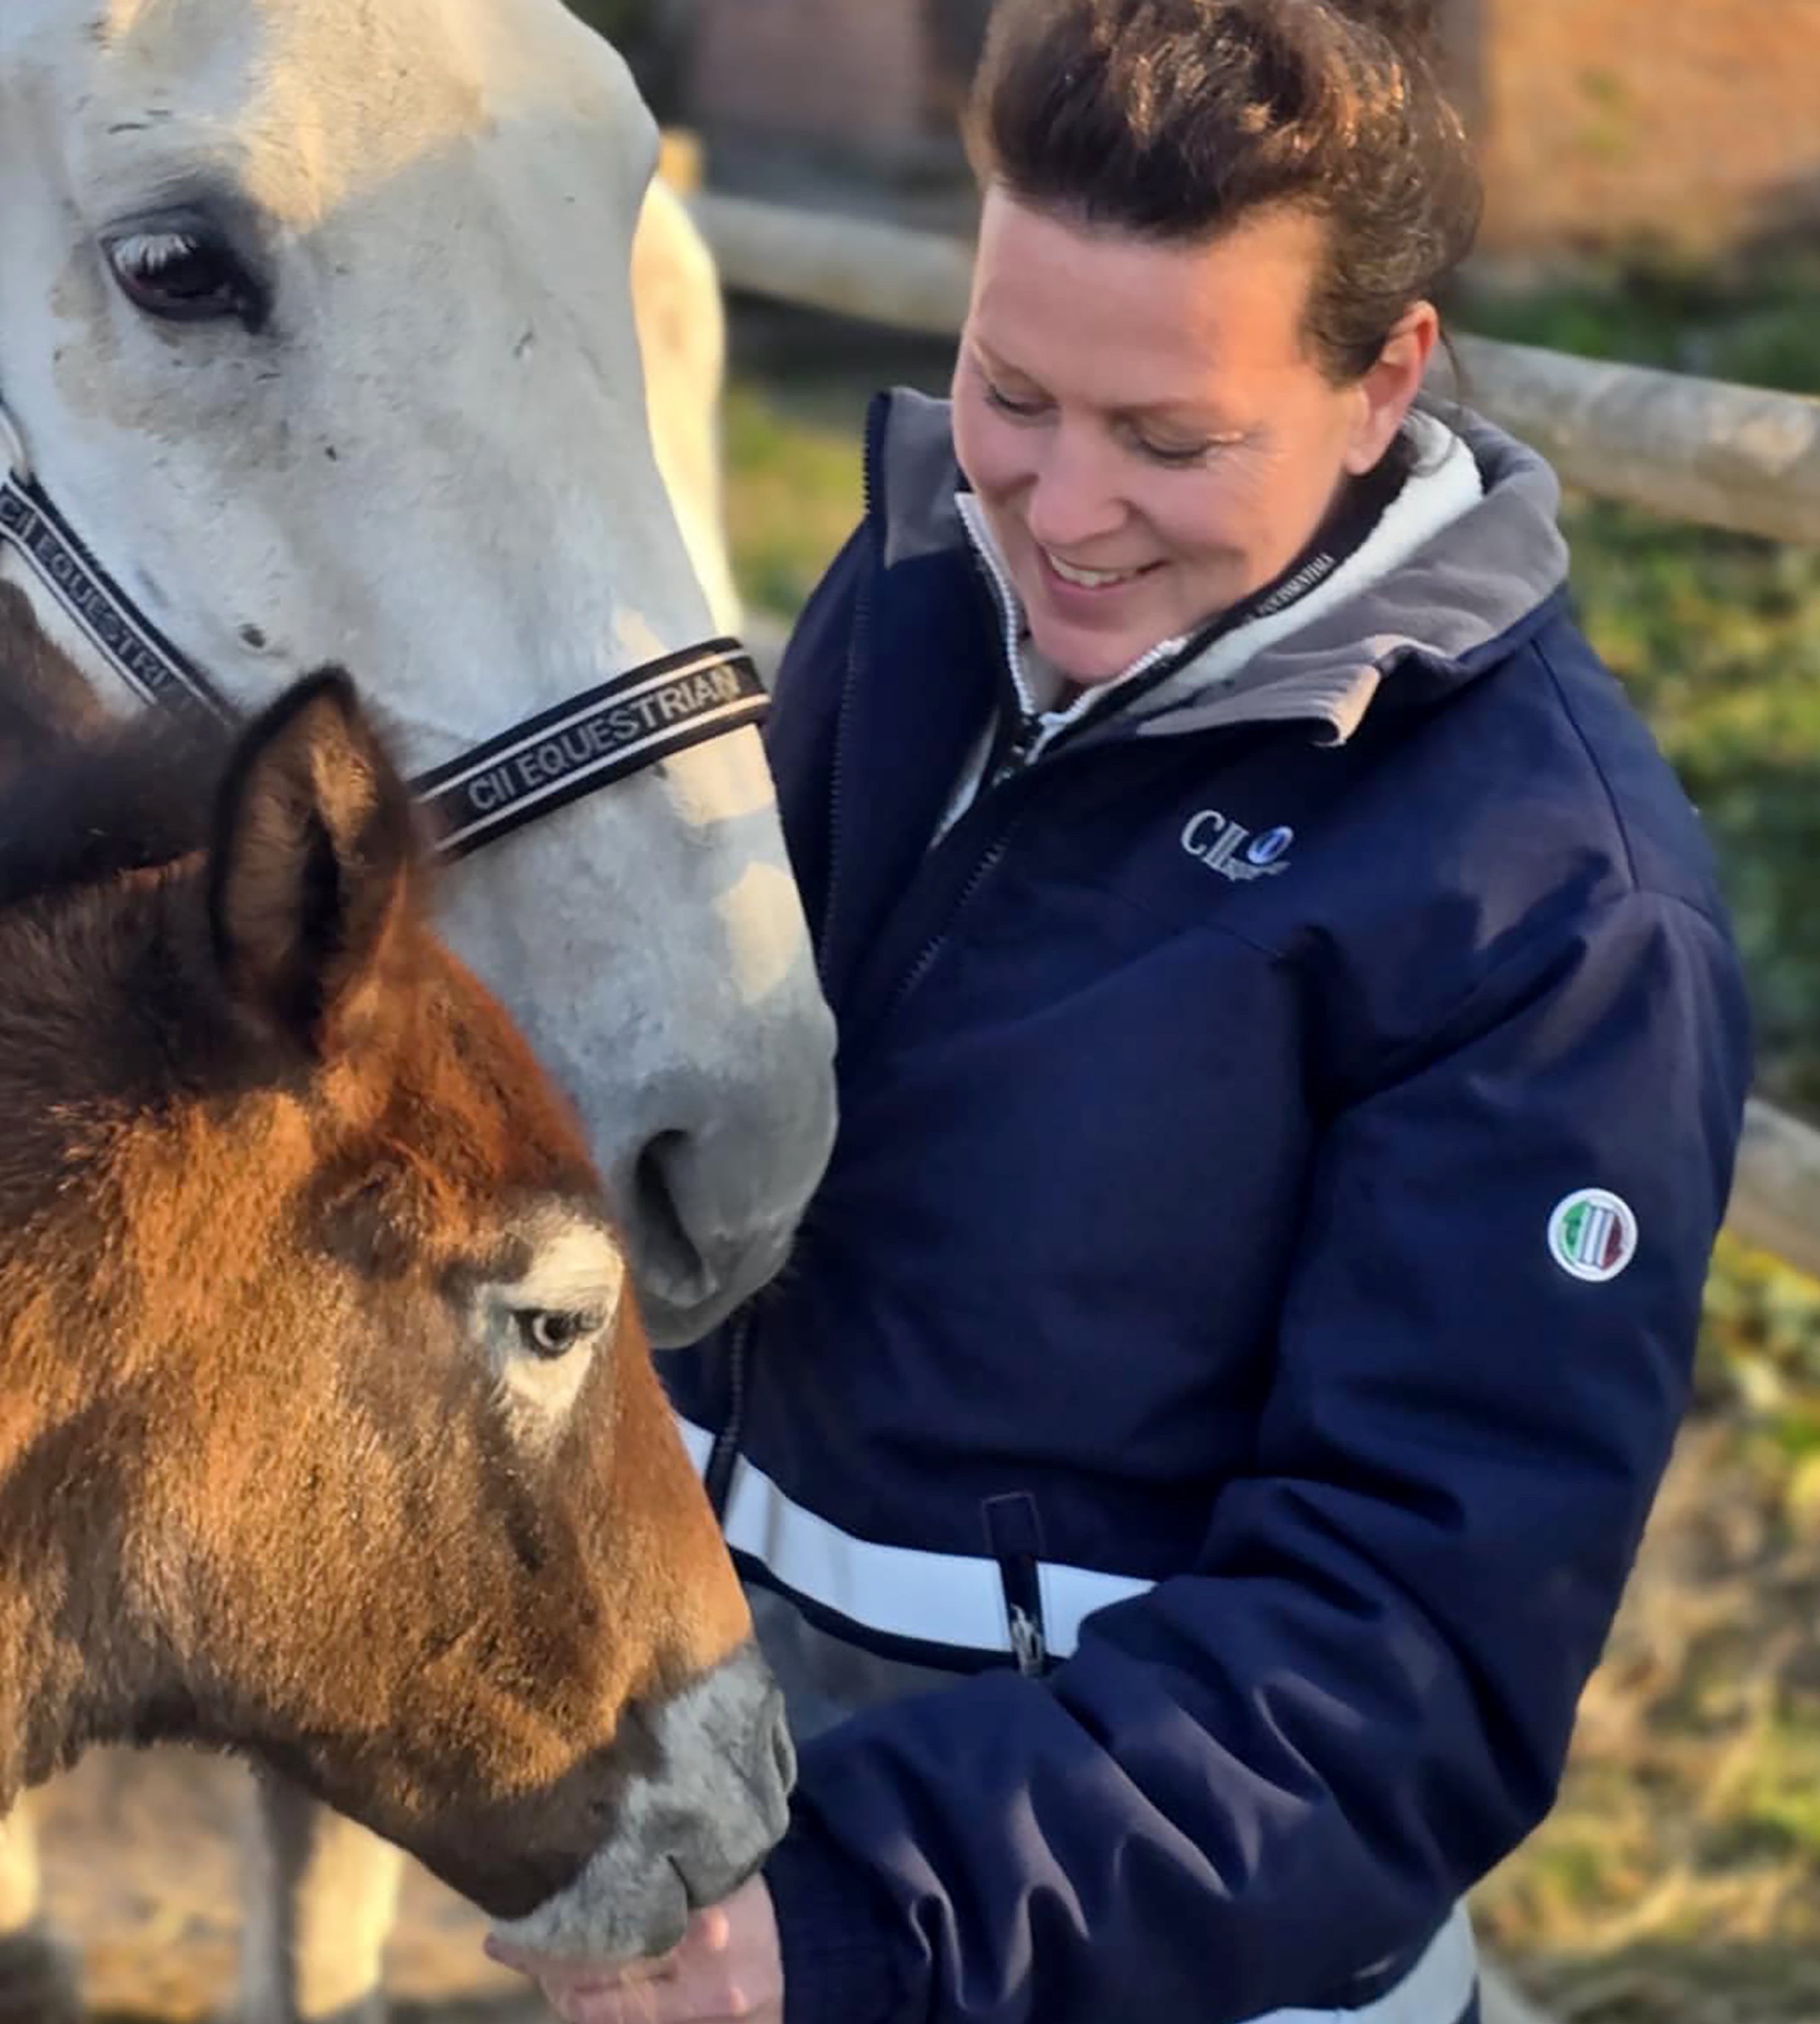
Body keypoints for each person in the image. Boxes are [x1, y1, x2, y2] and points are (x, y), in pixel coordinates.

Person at [491, 1, 1752, 2018]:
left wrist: (843, 1915)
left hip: (1109, 1950)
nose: (1063, 509)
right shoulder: (915, 589)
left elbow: (1400, 1669)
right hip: (734, 1818)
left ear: (1384, 379)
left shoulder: (1554, 918)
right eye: (1011, 390)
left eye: (1173, 441)